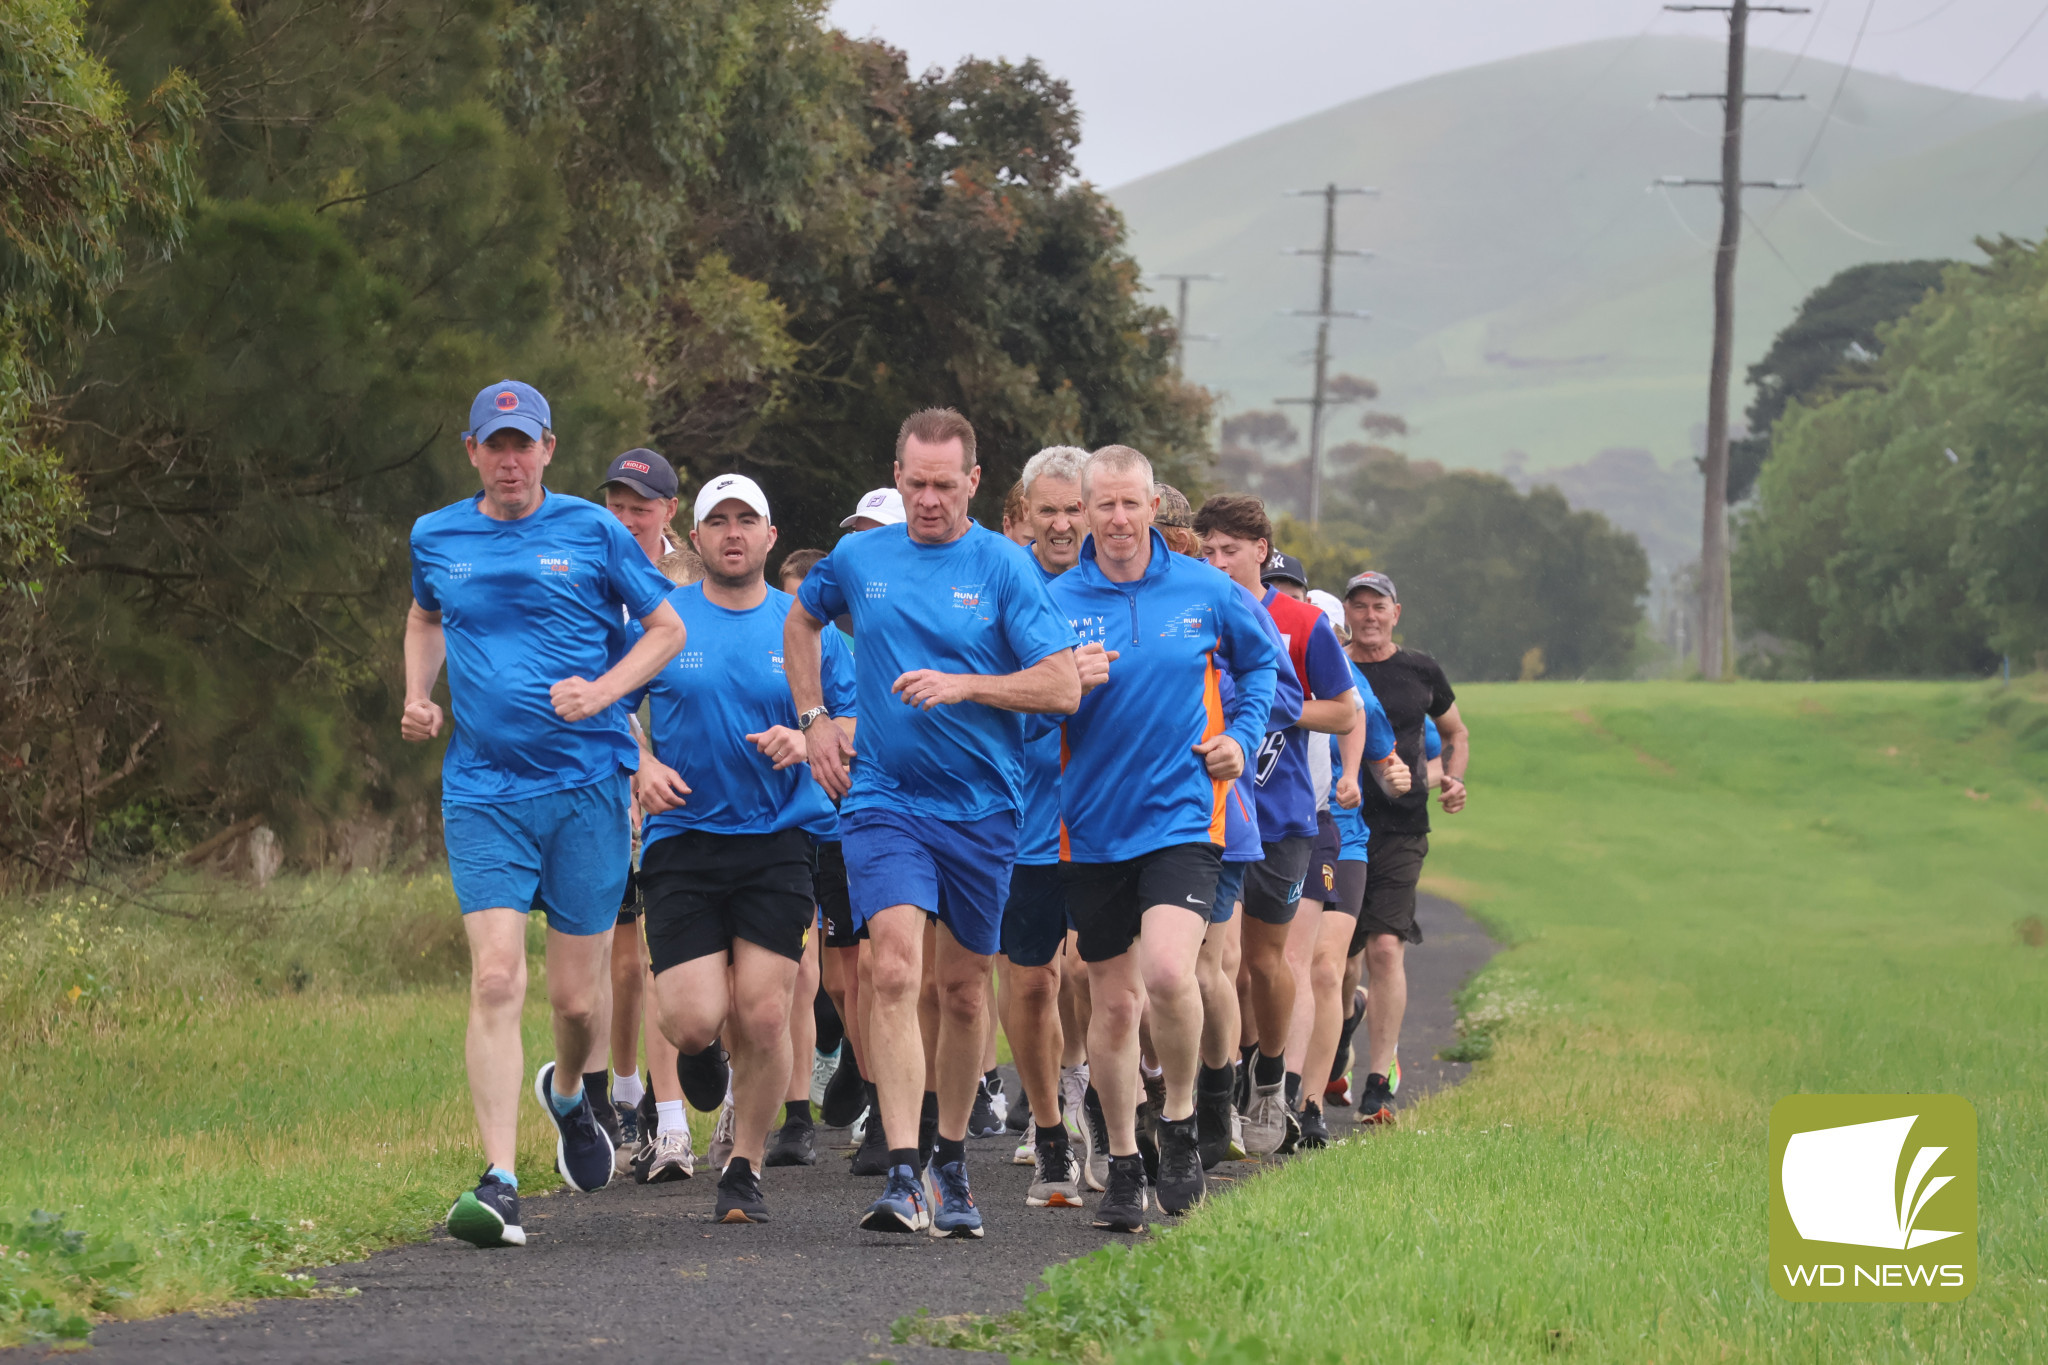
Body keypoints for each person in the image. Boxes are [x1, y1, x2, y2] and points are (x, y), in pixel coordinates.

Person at [786, 408, 1081, 1239]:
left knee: (960, 989)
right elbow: (801, 617)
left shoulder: (1002, 569)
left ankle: (952, 1160)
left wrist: (967, 686)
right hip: (883, 797)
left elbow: (1061, 687)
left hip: (984, 808)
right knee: (891, 967)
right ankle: (905, 1170)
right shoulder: (859, 557)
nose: (926, 500)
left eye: (943, 486)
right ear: (898, 472)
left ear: (974, 484)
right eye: (913, 483)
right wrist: (814, 718)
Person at [405, 380, 685, 1250]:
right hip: (484, 789)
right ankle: (499, 1179)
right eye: (496, 443)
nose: (511, 458)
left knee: (575, 998)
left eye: (524, 443)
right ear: (473, 451)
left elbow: (667, 629)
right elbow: (423, 617)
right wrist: (417, 692)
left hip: (586, 787)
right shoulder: (436, 535)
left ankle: (568, 1091)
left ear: (549, 450)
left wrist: (603, 692)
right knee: (495, 977)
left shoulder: (594, 531)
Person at [1046, 445, 1282, 1233]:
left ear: (1154, 508)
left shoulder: (1207, 589)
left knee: (1172, 971)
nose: (1117, 519)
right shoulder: (1054, 599)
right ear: (1083, 511)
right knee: (1112, 1005)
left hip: (1185, 814)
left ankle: (1178, 1120)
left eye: (1130, 504)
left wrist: (1240, 741)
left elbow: (1262, 671)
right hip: (1092, 827)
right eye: (1102, 505)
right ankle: (1121, 1160)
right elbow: (1022, 710)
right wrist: (1061, 687)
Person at [628, 473, 858, 1222]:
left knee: (764, 1014)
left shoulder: (805, 623)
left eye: (746, 519)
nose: (732, 532)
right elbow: (608, 708)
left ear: (769, 535)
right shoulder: (664, 622)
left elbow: (864, 719)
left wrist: (811, 732)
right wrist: (644, 763)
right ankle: (699, 1055)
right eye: (716, 520)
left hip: (778, 840)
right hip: (683, 840)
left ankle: (744, 1165)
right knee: (693, 1019)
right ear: (695, 539)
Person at [1195, 496, 1358, 1157]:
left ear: (1260, 550)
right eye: (1206, 551)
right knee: (1220, 960)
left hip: (1284, 814)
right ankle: (1220, 1098)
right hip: (1211, 816)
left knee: (1265, 962)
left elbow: (1344, 713)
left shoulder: (1301, 621)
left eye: (1228, 550)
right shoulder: (1192, 611)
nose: (1216, 562)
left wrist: (1276, 703)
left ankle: (1269, 1073)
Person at [1341, 570, 1469, 1125]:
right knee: (1340, 965)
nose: (1369, 616)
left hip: (1401, 827)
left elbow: (1456, 731)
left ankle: (1379, 1079)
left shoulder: (1421, 669)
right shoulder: (1332, 664)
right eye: (1360, 606)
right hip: (1338, 825)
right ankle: (1341, 1031)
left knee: (1386, 948)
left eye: (1379, 606)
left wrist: (1455, 780)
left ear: (1397, 612)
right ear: (1347, 613)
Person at [998, 446, 1090, 1208]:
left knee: (1100, 976)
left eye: (1074, 508)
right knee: (1030, 983)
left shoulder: (1122, 584)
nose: (1061, 524)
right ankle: (1052, 1128)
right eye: (1048, 509)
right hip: (1023, 818)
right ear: (1024, 511)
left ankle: (1098, 1097)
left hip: (1110, 819)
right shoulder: (1001, 580)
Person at [597, 448, 683, 1167]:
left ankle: (669, 1107)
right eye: (617, 505)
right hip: (606, 781)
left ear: (669, 512)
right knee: (618, 961)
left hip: (679, 796)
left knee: (664, 959)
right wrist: (631, 764)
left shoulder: (685, 583)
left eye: (641, 506)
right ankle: (622, 1097)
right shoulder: (587, 569)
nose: (627, 518)